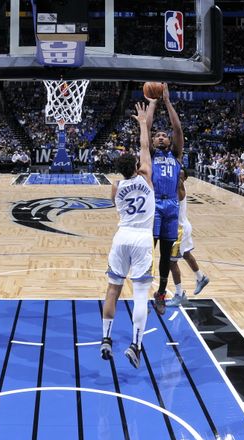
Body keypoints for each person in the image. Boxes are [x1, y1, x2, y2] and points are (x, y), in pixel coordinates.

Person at [101, 102, 154, 369]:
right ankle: (135, 345)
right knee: (141, 293)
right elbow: (145, 148)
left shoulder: (116, 186)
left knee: (112, 290)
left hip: (121, 237)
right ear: (136, 165)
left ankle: (106, 339)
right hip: (142, 238)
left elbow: (116, 203)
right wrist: (143, 122)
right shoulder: (146, 178)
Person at [144, 83, 183, 314]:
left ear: (169, 142)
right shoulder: (149, 154)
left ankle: (161, 293)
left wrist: (167, 101)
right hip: (154, 204)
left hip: (172, 206)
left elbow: (177, 129)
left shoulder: (176, 155)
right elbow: (145, 129)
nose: (160, 137)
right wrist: (152, 103)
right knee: (149, 251)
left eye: (163, 136)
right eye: (157, 136)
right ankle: (143, 290)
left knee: (166, 256)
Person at [166, 169, 209, 307]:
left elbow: (176, 180)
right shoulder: (173, 188)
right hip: (183, 226)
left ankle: (179, 295)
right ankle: (201, 277)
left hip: (179, 230)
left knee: (171, 263)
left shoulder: (180, 188)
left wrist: (173, 163)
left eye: (180, 174)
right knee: (186, 254)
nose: (177, 175)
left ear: (183, 179)